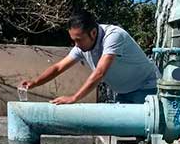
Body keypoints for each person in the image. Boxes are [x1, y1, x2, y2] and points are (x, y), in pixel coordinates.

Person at [19, 9, 160, 104]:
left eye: (79, 39)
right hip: (124, 93)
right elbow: (58, 68)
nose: (76, 44)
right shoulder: (82, 46)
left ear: (93, 33)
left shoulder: (114, 36)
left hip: (147, 88)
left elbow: (100, 73)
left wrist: (73, 98)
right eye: (73, 40)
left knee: (144, 138)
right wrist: (34, 83)